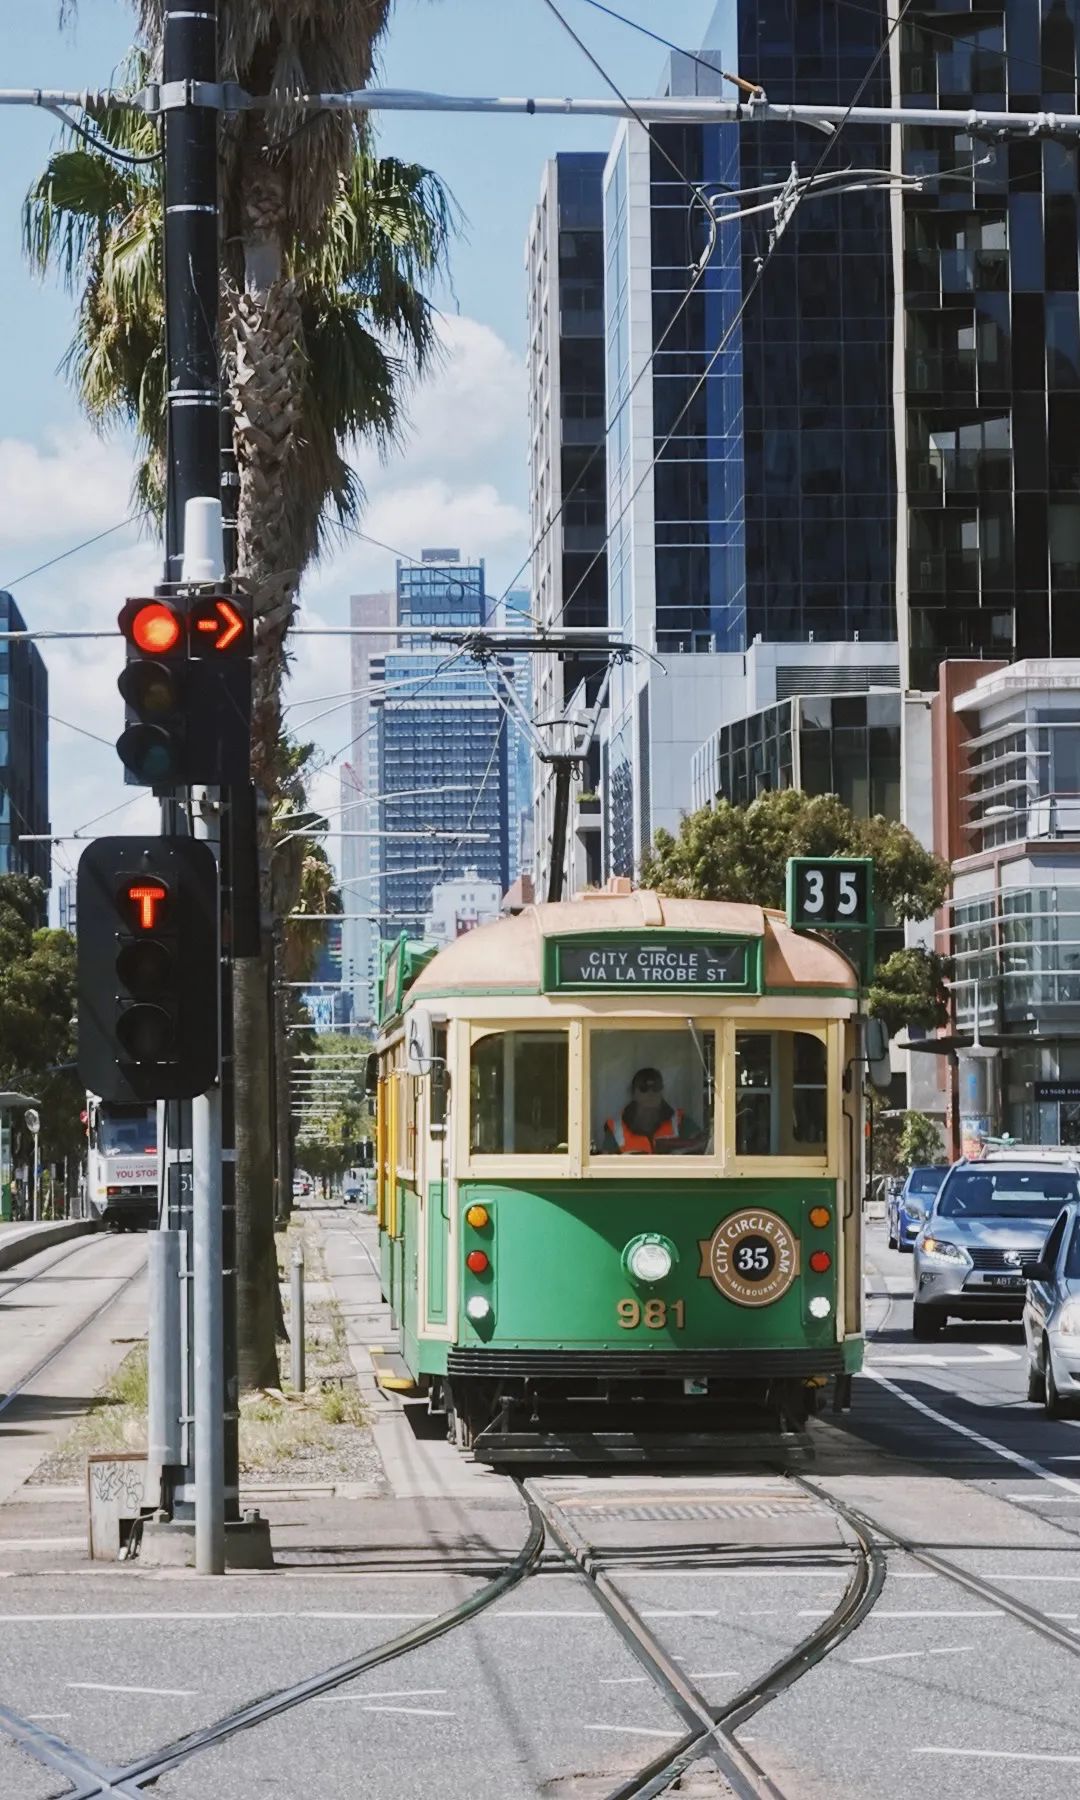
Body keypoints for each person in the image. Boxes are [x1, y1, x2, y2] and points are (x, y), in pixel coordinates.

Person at [603, 1067, 707, 1155]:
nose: (650, 1093)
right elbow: (605, 1168)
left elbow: (703, 1145)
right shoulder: (616, 1128)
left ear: (662, 1091)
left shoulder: (680, 1121)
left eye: (656, 1088)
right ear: (633, 1093)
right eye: (644, 1088)